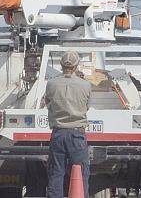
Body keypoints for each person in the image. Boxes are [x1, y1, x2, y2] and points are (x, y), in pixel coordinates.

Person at [43, 51, 93, 198]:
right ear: (76, 66)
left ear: (61, 65)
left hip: (58, 133)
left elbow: (48, 103)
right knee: (80, 172)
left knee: (56, 172)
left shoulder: (51, 84)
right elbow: (87, 107)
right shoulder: (85, 85)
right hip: (77, 134)